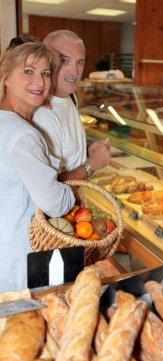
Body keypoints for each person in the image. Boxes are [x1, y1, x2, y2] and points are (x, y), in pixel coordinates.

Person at [0, 42, 75, 292]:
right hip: (17, 259)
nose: (41, 82)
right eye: (28, 71)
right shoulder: (22, 134)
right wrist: (70, 193)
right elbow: (54, 203)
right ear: (6, 77)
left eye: (45, 73)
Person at [33, 30, 111, 181]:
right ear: (46, 62)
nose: (75, 71)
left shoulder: (71, 98)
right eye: (64, 60)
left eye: (80, 62)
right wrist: (92, 163)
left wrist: (87, 152)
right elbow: (51, 189)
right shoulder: (44, 114)